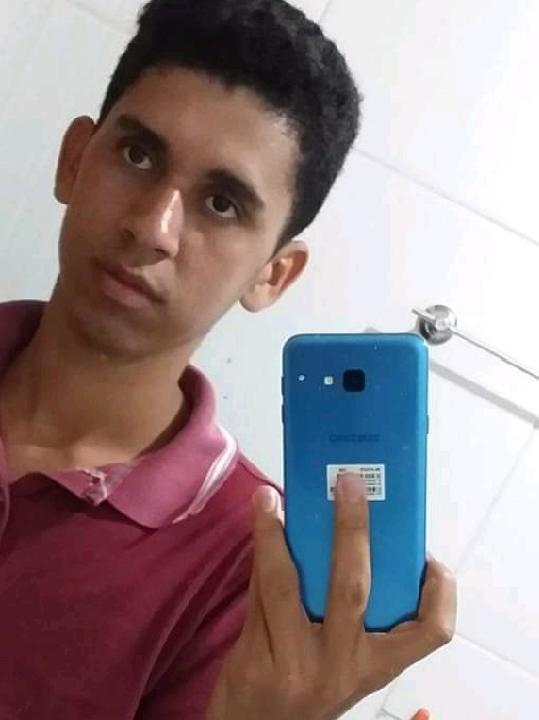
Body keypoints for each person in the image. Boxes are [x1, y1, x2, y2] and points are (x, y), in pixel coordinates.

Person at [0, 0, 456, 718]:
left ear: (272, 275)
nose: (153, 227)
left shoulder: (255, 572)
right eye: (138, 155)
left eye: (220, 203)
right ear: (73, 160)